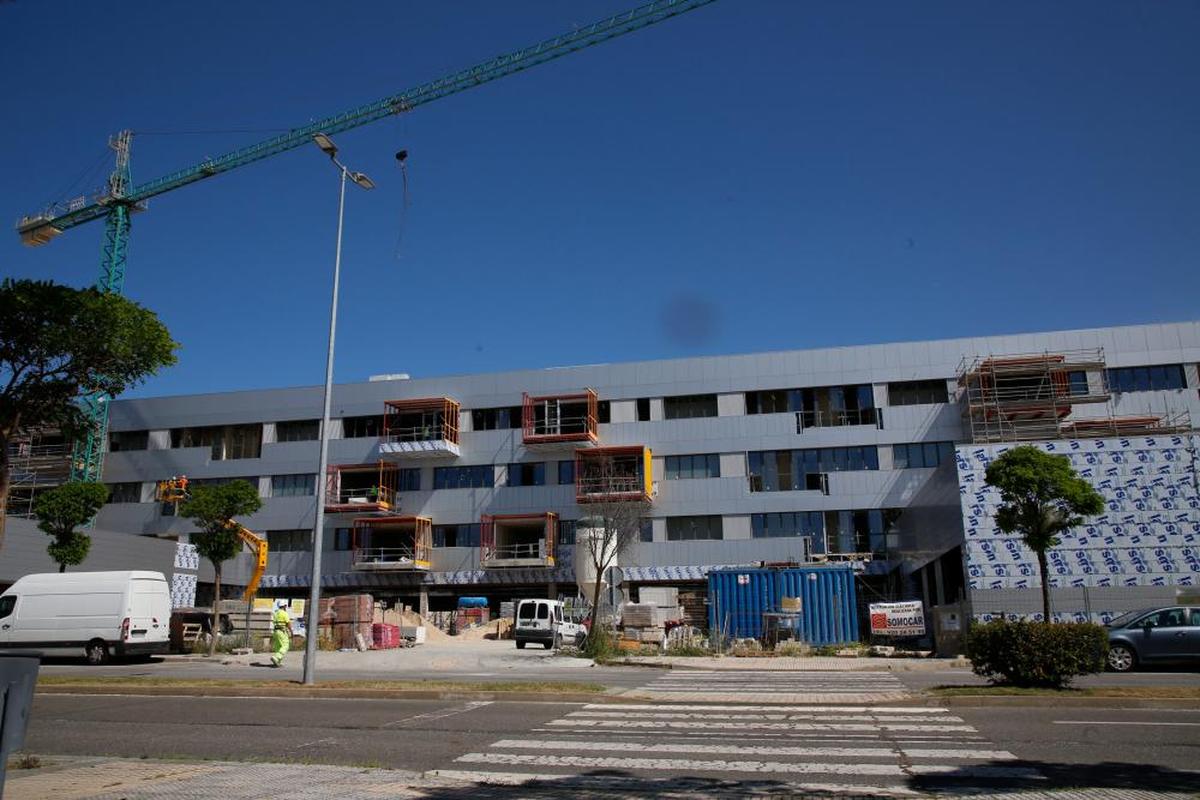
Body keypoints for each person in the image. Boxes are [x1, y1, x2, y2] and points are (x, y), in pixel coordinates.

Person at [270, 600, 293, 668]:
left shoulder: (276, 613)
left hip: (275, 631)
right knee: (286, 645)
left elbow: (274, 622)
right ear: (285, 606)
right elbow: (288, 624)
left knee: (278, 647)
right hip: (282, 631)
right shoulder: (284, 613)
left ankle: (277, 662)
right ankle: (276, 657)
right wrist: (291, 632)